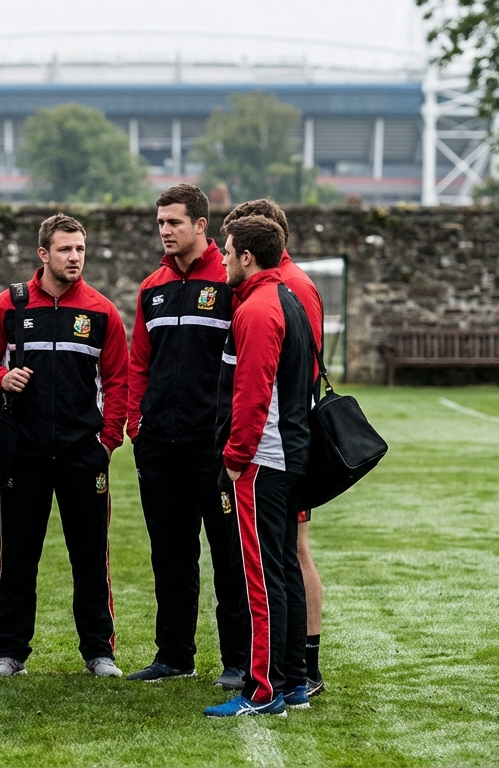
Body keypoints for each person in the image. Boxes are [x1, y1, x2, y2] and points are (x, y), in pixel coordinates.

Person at [0, 213, 129, 679]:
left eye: (80, 249)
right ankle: (10, 653)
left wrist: (107, 441)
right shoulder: (11, 305)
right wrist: (0, 377)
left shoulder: (101, 311)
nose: (75, 257)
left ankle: (99, 652)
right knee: (17, 559)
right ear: (43, 254)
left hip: (84, 455)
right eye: (65, 249)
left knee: (91, 558)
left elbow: (119, 382)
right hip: (24, 454)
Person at [122, 184, 247, 689]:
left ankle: (238, 660)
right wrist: (138, 425)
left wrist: (230, 434)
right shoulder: (152, 287)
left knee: (229, 557)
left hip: (212, 448)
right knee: (170, 556)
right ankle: (174, 655)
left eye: (174, 222)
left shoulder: (230, 281)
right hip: (159, 446)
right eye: (160, 223)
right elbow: (138, 362)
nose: (165, 231)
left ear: (201, 225)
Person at [204, 215, 314, 718]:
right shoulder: (286, 298)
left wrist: (234, 458)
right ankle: (292, 682)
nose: (223, 260)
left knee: (262, 578)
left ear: (247, 257)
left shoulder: (258, 308)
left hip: (263, 461)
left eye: (227, 252)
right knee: (283, 569)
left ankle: (264, 691)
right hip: (287, 457)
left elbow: (252, 395)